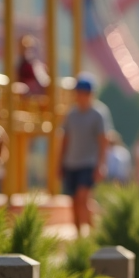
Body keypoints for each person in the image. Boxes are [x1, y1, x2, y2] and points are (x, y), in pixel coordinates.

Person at [59, 74, 107, 235]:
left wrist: (101, 165)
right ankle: (79, 235)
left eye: (82, 92)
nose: (79, 96)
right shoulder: (71, 115)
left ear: (90, 94)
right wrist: (59, 163)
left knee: (82, 198)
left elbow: (103, 141)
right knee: (74, 201)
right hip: (71, 162)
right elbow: (65, 140)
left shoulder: (98, 114)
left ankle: (92, 234)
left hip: (89, 162)